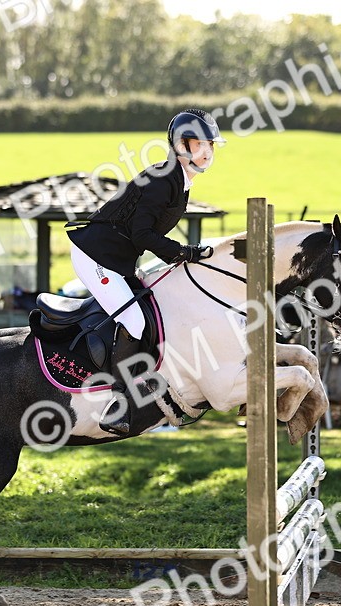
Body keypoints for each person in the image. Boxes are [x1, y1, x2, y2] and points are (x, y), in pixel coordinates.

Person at [66, 108, 226, 435]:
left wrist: (184, 253)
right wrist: (184, 252)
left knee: (155, 313)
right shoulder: (163, 179)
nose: (208, 151)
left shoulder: (178, 180)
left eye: (211, 144)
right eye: (200, 143)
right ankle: (116, 405)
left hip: (116, 258)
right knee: (135, 320)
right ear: (182, 146)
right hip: (95, 255)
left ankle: (147, 389)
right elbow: (142, 235)